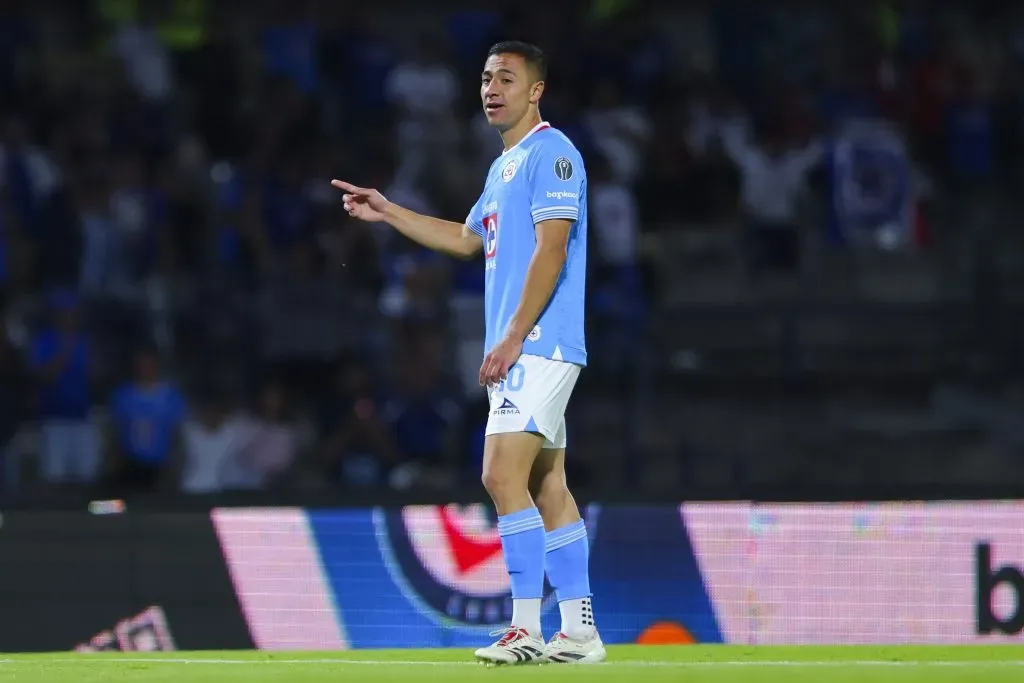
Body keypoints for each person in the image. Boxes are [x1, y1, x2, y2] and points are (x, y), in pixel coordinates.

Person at [332, 41, 604, 665]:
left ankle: (526, 629)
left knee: (498, 473)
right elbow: (463, 236)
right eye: (485, 78)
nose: (491, 88)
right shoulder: (503, 166)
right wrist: (387, 210)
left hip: (538, 342)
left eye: (507, 78)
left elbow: (552, 251)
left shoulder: (553, 154)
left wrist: (510, 338)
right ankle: (580, 631)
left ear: (536, 90)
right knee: (547, 485)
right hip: (529, 345)